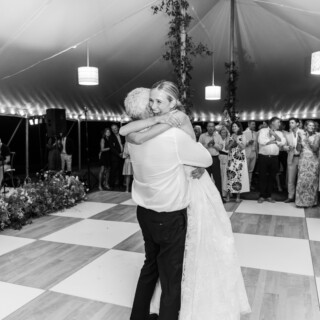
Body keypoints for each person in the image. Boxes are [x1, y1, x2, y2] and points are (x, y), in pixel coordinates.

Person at [120, 81, 251, 320]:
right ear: (147, 112)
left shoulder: (132, 139)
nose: (155, 106)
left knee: (150, 267)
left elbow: (127, 131)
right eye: (152, 102)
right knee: (171, 279)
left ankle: (137, 317)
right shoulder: (172, 137)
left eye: (158, 101)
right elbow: (205, 159)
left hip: (144, 213)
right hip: (169, 217)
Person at [257, 117, 286, 203]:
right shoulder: (263, 131)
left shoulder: (279, 133)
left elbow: (282, 142)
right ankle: (261, 196)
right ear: (272, 122)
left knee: (272, 177)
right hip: (263, 157)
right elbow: (261, 141)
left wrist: (275, 135)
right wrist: (274, 141)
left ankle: (269, 196)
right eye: (278, 122)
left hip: (274, 158)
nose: (279, 124)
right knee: (262, 176)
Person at [295, 120, 320, 207]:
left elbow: (315, 149)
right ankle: (300, 202)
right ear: (306, 126)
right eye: (310, 125)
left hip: (313, 161)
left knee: (312, 182)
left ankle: (311, 202)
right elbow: (298, 149)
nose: (312, 127)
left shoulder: (317, 135)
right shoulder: (301, 134)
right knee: (302, 181)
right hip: (303, 160)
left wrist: (308, 139)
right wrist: (298, 141)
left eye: (313, 126)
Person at [199, 122, 224, 201]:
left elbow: (221, 148)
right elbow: (198, 148)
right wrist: (208, 145)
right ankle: (206, 198)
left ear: (214, 128)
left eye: (212, 126)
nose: (211, 128)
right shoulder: (202, 136)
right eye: (209, 126)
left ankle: (219, 198)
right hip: (205, 159)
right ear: (207, 127)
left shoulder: (218, 136)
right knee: (206, 178)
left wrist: (214, 145)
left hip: (215, 159)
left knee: (218, 178)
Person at [225, 122, 250, 202]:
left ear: (239, 127)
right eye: (232, 126)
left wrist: (237, 140)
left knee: (239, 176)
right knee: (230, 175)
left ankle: (238, 196)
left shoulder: (242, 135)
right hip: (231, 158)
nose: (234, 127)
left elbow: (243, 147)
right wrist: (232, 141)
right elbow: (226, 148)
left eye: (235, 126)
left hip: (239, 159)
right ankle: (228, 195)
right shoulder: (229, 136)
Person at [283, 118, 301, 202]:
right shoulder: (287, 135)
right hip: (291, 158)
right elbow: (284, 146)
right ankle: (290, 196)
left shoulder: (303, 133)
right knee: (290, 179)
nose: (290, 124)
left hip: (302, 158)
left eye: (292, 122)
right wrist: (287, 147)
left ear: (297, 124)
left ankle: (300, 197)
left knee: (302, 179)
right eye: (290, 123)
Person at [109, 124, 125, 189]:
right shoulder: (111, 137)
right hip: (115, 157)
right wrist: (119, 154)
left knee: (121, 171)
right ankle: (111, 185)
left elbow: (124, 144)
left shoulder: (122, 135)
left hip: (122, 155)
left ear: (118, 128)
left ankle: (121, 184)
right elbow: (112, 148)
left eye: (115, 128)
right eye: (112, 129)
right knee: (114, 171)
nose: (114, 130)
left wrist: (123, 153)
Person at [243, 121, 258, 189]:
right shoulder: (244, 133)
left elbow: (256, 144)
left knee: (251, 170)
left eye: (254, 124)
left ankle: (249, 184)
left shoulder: (255, 133)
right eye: (252, 124)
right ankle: (245, 185)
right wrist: (248, 143)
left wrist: (257, 154)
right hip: (247, 153)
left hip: (253, 153)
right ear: (248, 124)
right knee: (245, 170)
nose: (254, 125)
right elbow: (242, 144)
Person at [219, 126, 230, 199]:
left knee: (225, 175)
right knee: (219, 175)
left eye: (225, 132)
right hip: (219, 157)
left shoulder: (228, 140)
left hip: (226, 157)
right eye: (222, 132)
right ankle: (219, 192)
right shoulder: (218, 139)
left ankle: (225, 193)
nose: (223, 134)